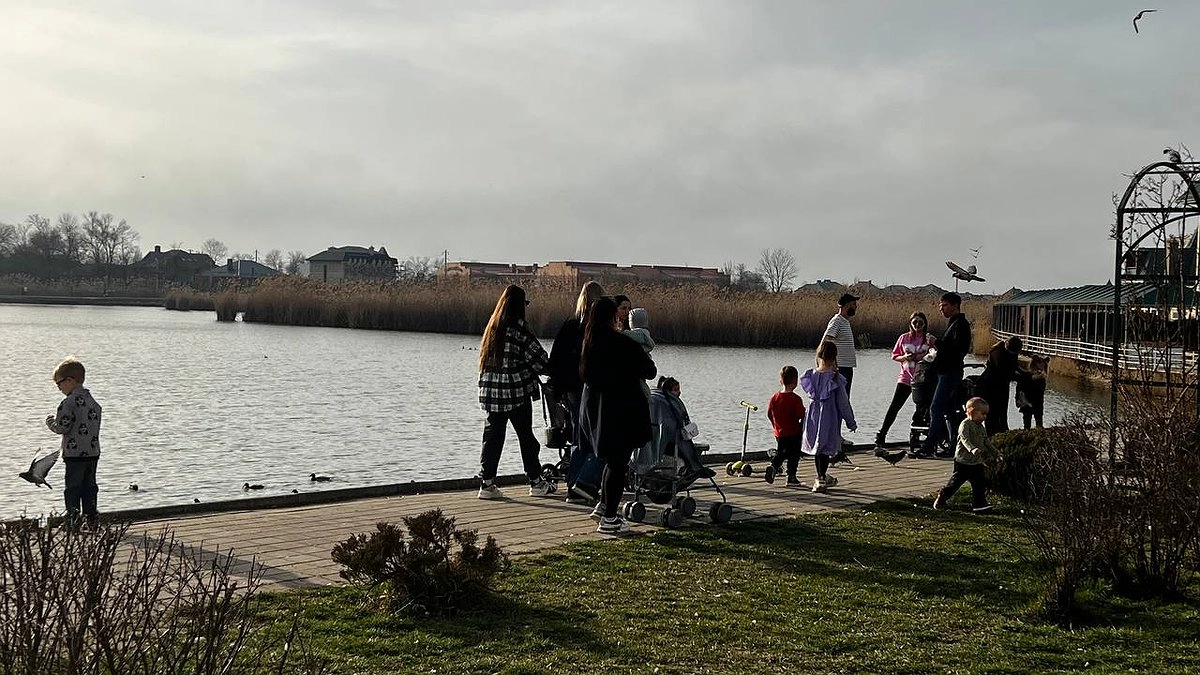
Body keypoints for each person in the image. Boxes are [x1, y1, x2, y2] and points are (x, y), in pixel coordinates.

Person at [580, 296, 657, 535]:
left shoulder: (589, 344)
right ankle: (611, 518)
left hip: (596, 410)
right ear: (613, 316)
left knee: (611, 461)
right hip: (622, 409)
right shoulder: (623, 343)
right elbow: (650, 371)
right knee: (619, 464)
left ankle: (604, 507)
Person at [476, 285, 556, 500]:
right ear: (520, 305)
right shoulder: (519, 328)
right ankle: (535, 481)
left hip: (491, 393)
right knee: (526, 437)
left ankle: (487, 483)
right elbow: (539, 359)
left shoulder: (492, 327)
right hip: (515, 392)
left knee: (492, 437)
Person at [549, 281, 605, 502]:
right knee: (596, 437)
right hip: (590, 388)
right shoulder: (596, 328)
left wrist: (560, 387)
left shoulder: (570, 324)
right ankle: (585, 482)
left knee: (579, 439)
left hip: (571, 388)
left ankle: (573, 485)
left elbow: (555, 358)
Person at [45, 357, 103, 529]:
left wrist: (50, 422)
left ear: (70, 380)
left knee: (73, 487)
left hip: (74, 454)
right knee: (90, 486)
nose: (59, 388)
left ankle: (73, 520)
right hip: (93, 452)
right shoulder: (92, 401)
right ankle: (92, 518)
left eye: (59, 383)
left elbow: (62, 428)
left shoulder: (68, 403)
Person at [916, 292, 972, 459]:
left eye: (945, 305)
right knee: (949, 409)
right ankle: (954, 444)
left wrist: (936, 343)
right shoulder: (953, 323)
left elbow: (957, 351)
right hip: (945, 371)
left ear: (955, 306)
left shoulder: (961, 325)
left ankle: (929, 445)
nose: (941, 308)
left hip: (950, 372)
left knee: (936, 407)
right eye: (940, 305)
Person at [800, 341, 856, 493]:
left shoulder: (811, 376)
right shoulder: (835, 378)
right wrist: (851, 422)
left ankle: (820, 477)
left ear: (819, 355)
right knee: (824, 447)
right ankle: (821, 477)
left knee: (818, 447)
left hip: (813, 416)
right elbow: (843, 403)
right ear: (835, 357)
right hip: (829, 417)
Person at [874, 312, 933, 452]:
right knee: (895, 406)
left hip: (922, 379)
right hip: (906, 377)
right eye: (915, 323)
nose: (917, 325)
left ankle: (918, 436)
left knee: (921, 408)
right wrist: (905, 357)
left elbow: (935, 354)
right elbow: (895, 356)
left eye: (920, 322)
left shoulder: (929, 339)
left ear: (924, 324)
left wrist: (924, 356)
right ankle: (881, 435)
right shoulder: (904, 338)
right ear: (910, 324)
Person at [932, 397, 995, 513]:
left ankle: (979, 504)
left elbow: (986, 441)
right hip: (963, 461)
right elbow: (965, 439)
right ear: (972, 412)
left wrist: (995, 453)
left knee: (979, 483)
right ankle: (942, 496)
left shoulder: (980, 427)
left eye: (986, 414)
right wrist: (972, 449)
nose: (985, 417)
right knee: (956, 482)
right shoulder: (965, 425)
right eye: (983, 414)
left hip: (976, 461)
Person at [647, 376, 714, 484]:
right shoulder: (667, 405)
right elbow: (680, 430)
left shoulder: (656, 401)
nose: (679, 392)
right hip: (666, 445)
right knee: (688, 448)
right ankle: (695, 468)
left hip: (656, 444)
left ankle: (692, 468)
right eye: (676, 390)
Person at [766, 365, 806, 487]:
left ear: (781, 380)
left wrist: (775, 426)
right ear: (795, 382)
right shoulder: (795, 399)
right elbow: (801, 415)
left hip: (779, 432)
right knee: (794, 455)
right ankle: (790, 476)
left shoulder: (775, 398)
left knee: (782, 452)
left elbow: (769, 413)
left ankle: (774, 466)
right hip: (793, 432)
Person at [977, 336, 1023, 435]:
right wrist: (1019, 377)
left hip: (1002, 386)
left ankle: (1002, 435)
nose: (1016, 355)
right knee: (993, 415)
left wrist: (1025, 373)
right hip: (991, 387)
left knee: (1002, 414)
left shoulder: (1010, 351)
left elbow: (1014, 367)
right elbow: (1003, 371)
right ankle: (992, 437)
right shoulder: (997, 352)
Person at [823, 293, 859, 397]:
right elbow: (826, 341)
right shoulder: (837, 321)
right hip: (839, 368)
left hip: (846, 367)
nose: (856, 307)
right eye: (854, 304)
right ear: (847, 305)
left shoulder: (845, 322)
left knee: (844, 399)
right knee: (840, 400)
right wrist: (833, 364)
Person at [1016, 354, 1049, 429]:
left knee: (1031, 425)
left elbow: (1019, 389)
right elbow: (1020, 389)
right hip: (1029, 403)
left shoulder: (1028, 376)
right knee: (1031, 425)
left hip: (1033, 403)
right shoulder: (1029, 377)